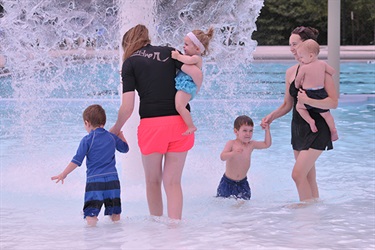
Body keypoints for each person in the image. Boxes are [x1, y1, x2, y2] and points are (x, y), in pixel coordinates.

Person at [110, 24, 202, 220]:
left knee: (153, 181)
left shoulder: (130, 63)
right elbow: (195, 73)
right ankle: (175, 231)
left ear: (128, 43)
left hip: (152, 126)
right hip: (181, 124)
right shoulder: (170, 52)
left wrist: (116, 129)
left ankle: (157, 232)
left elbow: (127, 107)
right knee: (173, 182)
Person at [261, 26, 338, 203]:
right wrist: (271, 116)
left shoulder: (322, 70)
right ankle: (313, 216)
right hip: (298, 127)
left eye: (295, 44)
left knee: (297, 174)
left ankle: (304, 212)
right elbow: (288, 104)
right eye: (290, 45)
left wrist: (310, 101)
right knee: (308, 176)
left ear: (307, 45)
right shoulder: (290, 72)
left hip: (318, 127)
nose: (292, 49)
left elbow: (333, 103)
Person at [51, 104, 129, 226]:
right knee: (115, 213)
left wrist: (63, 174)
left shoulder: (87, 140)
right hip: (112, 181)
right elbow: (125, 149)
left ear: (87, 123)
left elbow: (77, 160)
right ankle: (116, 238)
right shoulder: (112, 137)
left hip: (95, 182)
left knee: (91, 214)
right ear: (103, 121)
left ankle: (92, 240)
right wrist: (122, 136)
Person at [217, 115, 271, 200]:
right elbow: (222, 157)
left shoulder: (251, 145)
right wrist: (233, 153)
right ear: (236, 131)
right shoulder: (231, 143)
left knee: (244, 208)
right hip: (227, 183)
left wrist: (267, 130)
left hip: (243, 183)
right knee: (224, 206)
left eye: (251, 131)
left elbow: (266, 144)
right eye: (245, 130)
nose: (248, 134)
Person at [171, 28, 214, 135]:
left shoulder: (196, 58)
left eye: (186, 44)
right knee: (179, 105)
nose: (183, 46)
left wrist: (177, 56)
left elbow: (188, 61)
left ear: (197, 49)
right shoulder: (190, 55)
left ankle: (191, 126)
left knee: (179, 106)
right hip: (184, 85)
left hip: (187, 86)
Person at [295, 39, 338, 141]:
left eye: (301, 57)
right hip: (321, 92)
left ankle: (310, 121)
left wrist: (298, 85)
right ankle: (333, 130)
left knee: (299, 108)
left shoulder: (304, 68)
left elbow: (297, 80)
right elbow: (332, 72)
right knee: (327, 114)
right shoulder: (322, 64)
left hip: (308, 93)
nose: (300, 59)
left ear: (310, 56)